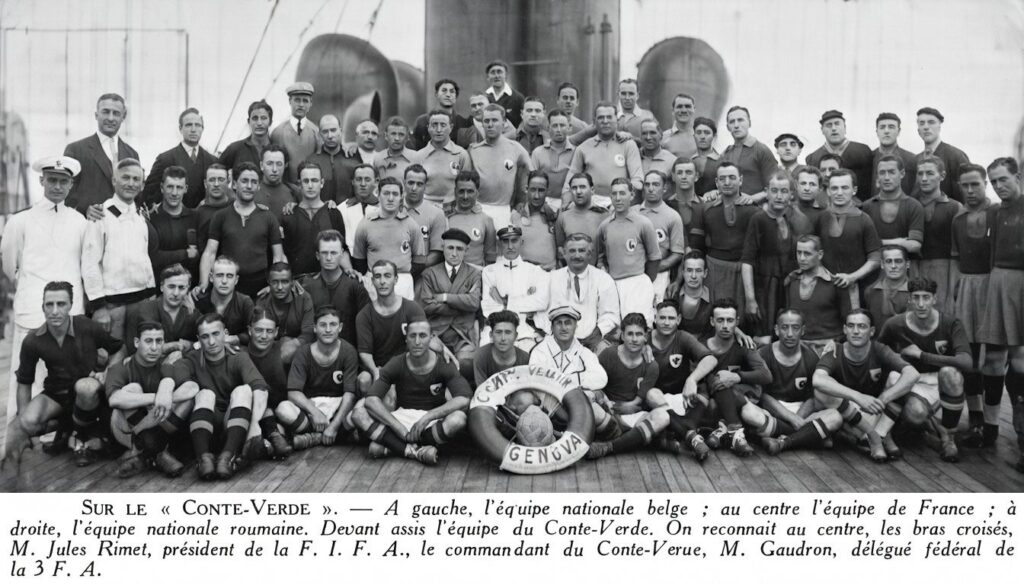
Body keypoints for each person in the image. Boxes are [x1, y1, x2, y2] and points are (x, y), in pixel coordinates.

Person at [2, 156, 88, 427]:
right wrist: (28, 289)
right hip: (33, 308)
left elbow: (84, 264)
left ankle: (58, 431)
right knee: (26, 372)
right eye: (52, 180)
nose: (57, 187)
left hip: (69, 311)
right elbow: (8, 265)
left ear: (71, 185)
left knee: (64, 374)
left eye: (64, 182)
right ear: (42, 181)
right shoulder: (20, 221)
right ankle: (20, 430)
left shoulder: (79, 221)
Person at [3, 282, 125, 469]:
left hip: (89, 391)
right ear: (42, 307)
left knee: (85, 387)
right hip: (57, 393)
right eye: (49, 304)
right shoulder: (33, 340)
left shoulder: (85, 325)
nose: (54, 310)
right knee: (26, 420)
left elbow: (119, 349)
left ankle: (80, 435)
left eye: (61, 304)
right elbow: (24, 381)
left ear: (70, 305)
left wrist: (108, 372)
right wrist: (23, 422)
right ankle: (66, 426)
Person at [352, 320, 471, 465]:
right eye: (412, 336)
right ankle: (415, 451)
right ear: (406, 339)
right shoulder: (397, 362)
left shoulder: (443, 364)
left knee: (458, 419)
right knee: (358, 413)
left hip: (431, 420)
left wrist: (429, 416)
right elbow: (371, 399)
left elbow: (464, 398)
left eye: (422, 336)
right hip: (403, 418)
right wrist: (399, 428)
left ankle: (396, 447)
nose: (417, 341)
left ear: (431, 337)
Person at [877, 277, 969, 462]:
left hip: (939, 381)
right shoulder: (895, 324)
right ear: (909, 299)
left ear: (935, 299)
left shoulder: (950, 323)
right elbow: (878, 350)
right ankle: (921, 424)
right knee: (916, 415)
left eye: (926, 297)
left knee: (952, 376)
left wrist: (922, 355)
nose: (921, 304)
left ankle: (948, 438)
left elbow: (966, 362)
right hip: (911, 381)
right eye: (916, 298)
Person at [814, 309, 921, 462]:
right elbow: (817, 380)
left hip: (874, 408)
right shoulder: (835, 350)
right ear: (845, 329)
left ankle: (882, 433)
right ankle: (874, 437)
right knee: (822, 391)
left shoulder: (879, 349)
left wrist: (884, 398)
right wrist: (858, 397)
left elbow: (913, 374)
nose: (856, 331)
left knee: (898, 377)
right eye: (851, 326)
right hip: (850, 413)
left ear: (871, 331)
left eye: (862, 326)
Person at [172, 313, 269, 480]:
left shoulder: (238, 357)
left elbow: (260, 389)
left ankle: (228, 456)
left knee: (244, 390)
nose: (211, 342)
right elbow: (178, 383)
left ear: (225, 333)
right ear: (198, 340)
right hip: (203, 431)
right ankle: (203, 458)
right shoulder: (191, 360)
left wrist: (254, 425)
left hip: (234, 428)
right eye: (205, 336)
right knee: (204, 394)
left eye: (216, 334)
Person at [739, 309, 843, 455]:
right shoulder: (763, 354)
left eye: (795, 328)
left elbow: (812, 397)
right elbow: (762, 395)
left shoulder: (811, 357)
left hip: (802, 413)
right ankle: (809, 436)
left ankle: (783, 441)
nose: (789, 334)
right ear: (776, 330)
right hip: (772, 412)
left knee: (835, 417)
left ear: (803, 330)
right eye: (784, 327)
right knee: (748, 412)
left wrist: (798, 418)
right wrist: (791, 418)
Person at [978, 157, 1024, 472]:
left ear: (1017, 176)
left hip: (1021, 284)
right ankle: (990, 429)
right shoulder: (995, 211)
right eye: (993, 181)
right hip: (997, 281)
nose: (998, 185)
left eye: (1003, 179)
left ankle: (1022, 442)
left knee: (1020, 360)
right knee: (993, 359)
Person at [107, 321, 198, 478]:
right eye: (148, 341)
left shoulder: (166, 365)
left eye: (159, 341)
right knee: (132, 390)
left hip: (155, 427)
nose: (154, 347)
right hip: (126, 430)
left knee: (187, 400)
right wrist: (157, 398)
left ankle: (148, 454)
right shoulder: (121, 367)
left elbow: (192, 387)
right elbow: (114, 400)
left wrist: (168, 396)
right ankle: (156, 451)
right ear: (137, 342)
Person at [81, 158, 157, 340]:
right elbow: (90, 263)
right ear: (114, 180)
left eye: (136, 179)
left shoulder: (140, 218)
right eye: (125, 178)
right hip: (112, 306)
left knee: (138, 358)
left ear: (142, 184)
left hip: (141, 303)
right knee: (111, 361)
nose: (131, 183)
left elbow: (143, 261)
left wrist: (152, 297)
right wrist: (98, 307)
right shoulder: (101, 215)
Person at [951, 164, 997, 446]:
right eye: (965, 186)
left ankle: (993, 425)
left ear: (985, 184)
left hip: (993, 288)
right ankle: (976, 419)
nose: (969, 191)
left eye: (975, 185)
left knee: (993, 359)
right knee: (969, 358)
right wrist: (955, 294)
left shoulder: (998, 214)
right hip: (967, 289)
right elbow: (956, 259)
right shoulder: (958, 220)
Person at [741, 170, 813, 344]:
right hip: (764, 289)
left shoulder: (799, 220)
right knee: (764, 338)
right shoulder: (758, 219)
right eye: (774, 191)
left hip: (790, 287)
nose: (779, 196)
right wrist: (750, 299)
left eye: (784, 191)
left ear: (791, 193)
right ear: (767, 192)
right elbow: (747, 260)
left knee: (790, 333)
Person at [586, 313, 671, 459]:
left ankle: (609, 447)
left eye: (639, 334)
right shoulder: (609, 355)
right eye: (630, 334)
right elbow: (595, 384)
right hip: (609, 413)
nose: (634, 339)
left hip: (635, 418)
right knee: (588, 399)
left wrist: (630, 406)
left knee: (663, 416)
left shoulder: (651, 365)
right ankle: (641, 441)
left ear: (646, 336)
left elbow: (637, 403)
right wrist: (605, 401)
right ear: (622, 336)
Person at [274, 307, 361, 449]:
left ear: (340, 328)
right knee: (283, 409)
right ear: (315, 328)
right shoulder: (304, 352)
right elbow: (293, 392)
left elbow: (349, 395)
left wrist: (333, 426)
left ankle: (315, 437)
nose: (328, 329)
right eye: (323, 325)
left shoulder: (348, 351)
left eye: (333, 325)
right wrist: (314, 413)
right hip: (311, 408)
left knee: (360, 408)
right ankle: (336, 437)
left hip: (337, 408)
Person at [199, 161, 287, 298]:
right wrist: (203, 285)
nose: (249, 186)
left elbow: (278, 256)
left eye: (253, 182)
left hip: (260, 288)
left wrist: (274, 285)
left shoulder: (268, 217)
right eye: (244, 181)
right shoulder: (221, 216)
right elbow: (210, 253)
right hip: (228, 285)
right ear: (234, 184)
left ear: (258, 186)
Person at [701, 299, 772, 457]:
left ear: (737, 322)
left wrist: (736, 377)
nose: (725, 325)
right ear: (712, 321)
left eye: (730, 320)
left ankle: (726, 430)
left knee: (724, 383)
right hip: (710, 401)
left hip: (739, 398)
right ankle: (732, 430)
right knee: (715, 382)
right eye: (720, 320)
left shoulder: (743, 345)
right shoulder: (701, 346)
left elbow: (766, 375)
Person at [649, 300, 718, 461]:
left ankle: (679, 431)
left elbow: (711, 359)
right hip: (657, 401)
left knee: (704, 394)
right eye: (662, 318)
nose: (666, 322)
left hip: (683, 396)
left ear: (679, 319)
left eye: (671, 318)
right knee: (652, 394)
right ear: (655, 318)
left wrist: (691, 380)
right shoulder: (645, 340)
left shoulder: (683, 337)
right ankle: (691, 436)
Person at [416, 228, 482, 380]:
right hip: (437, 333)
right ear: (443, 247)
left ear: (466, 250)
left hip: (463, 334)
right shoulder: (429, 274)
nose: (454, 253)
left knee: (466, 364)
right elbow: (427, 306)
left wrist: (445, 297)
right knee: (433, 365)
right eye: (450, 248)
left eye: (459, 249)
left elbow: (473, 303)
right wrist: (461, 305)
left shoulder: (474, 274)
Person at [690, 161, 760, 303]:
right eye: (722, 179)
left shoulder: (753, 210)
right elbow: (698, 247)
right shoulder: (705, 209)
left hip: (744, 272)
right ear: (716, 182)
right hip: (715, 270)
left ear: (740, 180)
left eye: (732, 177)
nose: (727, 182)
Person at [538, 233, 619, 354]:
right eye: (572, 251)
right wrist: (553, 335)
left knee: (606, 355)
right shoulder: (550, 278)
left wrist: (597, 333)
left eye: (581, 251)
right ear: (564, 254)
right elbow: (540, 313)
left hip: (593, 341)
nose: (577, 255)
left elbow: (611, 314)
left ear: (590, 254)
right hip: (557, 340)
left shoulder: (603, 279)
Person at [355, 260, 429, 393]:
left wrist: (443, 348)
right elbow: (365, 352)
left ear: (395, 279)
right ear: (372, 281)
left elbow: (425, 338)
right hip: (377, 367)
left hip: (405, 366)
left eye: (387, 276)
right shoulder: (364, 315)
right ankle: (367, 407)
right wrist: (376, 372)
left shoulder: (412, 308)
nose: (382, 281)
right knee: (363, 380)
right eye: (378, 277)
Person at [597, 178, 661, 324]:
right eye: (614, 194)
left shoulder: (643, 223)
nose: (618, 198)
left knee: (639, 326)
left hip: (637, 283)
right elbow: (601, 257)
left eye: (622, 193)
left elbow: (655, 258)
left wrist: (644, 280)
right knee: (615, 326)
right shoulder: (604, 226)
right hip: (613, 284)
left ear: (631, 195)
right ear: (610, 197)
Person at [63, 93, 140, 214]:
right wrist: (84, 209)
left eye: (116, 113)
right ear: (96, 115)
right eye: (105, 112)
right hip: (88, 224)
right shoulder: (76, 150)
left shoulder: (132, 154)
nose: (110, 118)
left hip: (122, 224)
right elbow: (66, 190)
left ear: (123, 117)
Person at [352, 177, 426, 300]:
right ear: (378, 195)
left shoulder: (411, 224)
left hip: (402, 281)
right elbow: (359, 260)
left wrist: (400, 276)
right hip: (374, 282)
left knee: (402, 318)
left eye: (395, 194)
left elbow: (419, 261)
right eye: (386, 193)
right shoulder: (365, 223)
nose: (390, 198)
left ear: (401, 196)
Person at [783, 235, 858, 354]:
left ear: (820, 254)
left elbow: (849, 322)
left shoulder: (836, 284)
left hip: (828, 348)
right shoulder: (791, 281)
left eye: (807, 254)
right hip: (797, 349)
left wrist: (837, 343)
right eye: (799, 253)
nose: (801, 258)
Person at [481, 226, 550, 351]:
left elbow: (541, 303)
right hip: (498, 329)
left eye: (514, 241)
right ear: (499, 243)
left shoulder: (535, 271)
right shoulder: (489, 271)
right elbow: (488, 309)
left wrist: (506, 302)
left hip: (526, 330)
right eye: (505, 241)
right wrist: (527, 302)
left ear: (521, 242)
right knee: (485, 353)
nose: (510, 246)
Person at [239, 309, 295, 460]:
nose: (264, 336)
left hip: (282, 412)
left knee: (282, 430)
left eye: (269, 331)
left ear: (276, 332)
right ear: (250, 330)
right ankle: (272, 437)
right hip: (254, 415)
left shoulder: (283, 351)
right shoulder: (241, 353)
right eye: (258, 330)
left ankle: (275, 436)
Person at [813, 169, 882, 292]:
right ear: (828, 191)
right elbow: (813, 252)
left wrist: (852, 277)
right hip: (824, 287)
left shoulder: (864, 220)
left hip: (855, 287)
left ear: (854, 190)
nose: (839, 193)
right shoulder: (821, 217)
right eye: (834, 188)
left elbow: (875, 258)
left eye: (844, 188)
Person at [563, 101, 643, 204]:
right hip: (590, 205)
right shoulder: (583, 148)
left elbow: (637, 181)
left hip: (620, 204)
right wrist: (566, 203)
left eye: (609, 117)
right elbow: (569, 182)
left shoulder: (628, 145)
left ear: (617, 120)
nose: (605, 121)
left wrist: (623, 202)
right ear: (594, 121)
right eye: (601, 118)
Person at [466, 103, 533, 227]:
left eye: (495, 120)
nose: (490, 125)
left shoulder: (516, 148)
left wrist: (522, 202)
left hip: (504, 210)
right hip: (478, 208)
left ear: (504, 123)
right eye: (486, 121)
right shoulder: (474, 150)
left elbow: (532, 174)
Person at [300, 230, 369, 349]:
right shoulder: (307, 285)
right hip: (316, 353)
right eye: (324, 253)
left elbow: (366, 326)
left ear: (342, 254)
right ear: (317, 255)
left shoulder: (355, 285)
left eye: (334, 253)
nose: (329, 258)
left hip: (348, 353)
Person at [280, 161, 350, 277]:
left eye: (314, 180)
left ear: (322, 183)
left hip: (328, 280)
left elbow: (342, 249)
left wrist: (349, 270)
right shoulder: (289, 215)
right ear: (299, 184)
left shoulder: (333, 213)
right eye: (306, 181)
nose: (310, 186)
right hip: (298, 281)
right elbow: (282, 253)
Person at [141, 107, 217, 209]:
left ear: (202, 129)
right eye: (189, 125)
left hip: (203, 220)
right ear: (180, 129)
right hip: (173, 220)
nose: (193, 129)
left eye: (197, 125)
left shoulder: (212, 160)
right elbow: (149, 195)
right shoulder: (165, 159)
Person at [915, 155, 964, 313]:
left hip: (944, 268)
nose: (924, 178)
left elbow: (958, 250)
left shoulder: (954, 207)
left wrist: (952, 285)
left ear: (941, 176)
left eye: (929, 173)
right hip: (915, 267)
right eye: (920, 174)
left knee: (942, 310)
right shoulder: (910, 205)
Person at [123, 263, 198, 359]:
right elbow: (135, 351)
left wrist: (190, 345)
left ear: (188, 289)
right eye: (171, 287)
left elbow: (206, 341)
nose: (176, 293)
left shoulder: (192, 313)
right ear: (162, 287)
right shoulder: (142, 311)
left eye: (181, 288)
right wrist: (174, 346)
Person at [529, 306, 608, 391]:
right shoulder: (540, 351)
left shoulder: (583, 352)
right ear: (552, 327)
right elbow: (536, 382)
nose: (563, 328)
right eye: (559, 323)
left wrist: (569, 379)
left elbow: (601, 378)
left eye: (568, 323)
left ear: (575, 327)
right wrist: (579, 381)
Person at [804, 110, 874, 203]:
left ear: (845, 128)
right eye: (829, 125)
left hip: (859, 207)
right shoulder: (813, 158)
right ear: (822, 130)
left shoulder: (863, 151)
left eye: (837, 124)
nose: (833, 128)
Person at [862, 154, 925, 256]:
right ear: (877, 176)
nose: (887, 178)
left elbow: (915, 246)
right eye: (882, 173)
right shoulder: (867, 207)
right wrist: (898, 242)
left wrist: (879, 243)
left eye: (891, 172)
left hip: (905, 268)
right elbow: (862, 244)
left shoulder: (913, 206)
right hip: (874, 267)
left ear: (902, 174)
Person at [254, 262, 314, 363]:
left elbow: (308, 333)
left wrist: (293, 344)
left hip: (297, 348)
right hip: (270, 348)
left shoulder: (304, 299)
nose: (280, 287)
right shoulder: (262, 301)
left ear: (292, 282)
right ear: (269, 282)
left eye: (285, 282)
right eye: (275, 282)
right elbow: (258, 334)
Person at [147, 166, 199, 281]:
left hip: (189, 287)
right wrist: (185, 254)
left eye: (179, 187)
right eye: (170, 187)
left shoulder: (195, 217)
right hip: (159, 287)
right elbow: (152, 257)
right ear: (162, 187)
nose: (174, 193)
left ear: (185, 189)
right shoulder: (151, 219)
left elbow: (199, 255)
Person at [411, 110, 474, 205]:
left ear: (451, 127)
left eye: (443, 125)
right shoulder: (419, 156)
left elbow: (467, 186)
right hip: (425, 207)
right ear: (428, 128)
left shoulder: (461, 154)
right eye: (434, 125)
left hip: (454, 208)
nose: (439, 130)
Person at [194, 256, 255, 348]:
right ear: (211, 277)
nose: (224, 281)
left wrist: (235, 338)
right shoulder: (199, 301)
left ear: (236, 280)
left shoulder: (245, 302)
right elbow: (191, 336)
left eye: (229, 276)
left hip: (237, 352)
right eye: (219, 275)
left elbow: (255, 332)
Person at [719, 106, 775, 199]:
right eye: (732, 122)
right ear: (728, 127)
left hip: (755, 210)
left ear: (749, 123)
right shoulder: (726, 153)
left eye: (740, 120)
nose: (736, 125)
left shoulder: (761, 150)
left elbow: (774, 188)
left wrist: (751, 199)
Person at [916, 107, 970, 203]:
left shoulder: (956, 156)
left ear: (939, 127)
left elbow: (966, 194)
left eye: (931, 122)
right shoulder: (915, 159)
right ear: (918, 130)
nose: (926, 127)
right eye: (921, 123)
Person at [554, 173, 610, 265]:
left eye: (583, 187)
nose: (578, 191)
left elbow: (608, 250)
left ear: (592, 190)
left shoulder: (604, 215)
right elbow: (560, 251)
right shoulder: (563, 217)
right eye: (574, 188)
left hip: (597, 272)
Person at [444, 170, 497, 267]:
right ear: (455, 192)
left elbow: (490, 258)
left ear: (477, 193)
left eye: (470, 191)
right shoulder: (445, 218)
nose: (465, 196)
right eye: (461, 191)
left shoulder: (486, 220)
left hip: (475, 274)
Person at [305, 114, 361, 204]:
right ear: (320, 135)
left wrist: (355, 200)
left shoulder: (353, 158)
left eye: (333, 130)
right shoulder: (312, 161)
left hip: (349, 212)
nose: (330, 136)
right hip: (321, 213)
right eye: (325, 131)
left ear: (340, 131)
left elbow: (363, 188)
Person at [270, 82, 320, 182]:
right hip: (285, 189)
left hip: (308, 188)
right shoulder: (278, 132)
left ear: (311, 103)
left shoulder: (316, 132)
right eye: (297, 100)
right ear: (290, 101)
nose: (301, 105)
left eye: (305, 101)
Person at [510, 171, 558, 270]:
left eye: (541, 190)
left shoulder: (555, 216)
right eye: (533, 190)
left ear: (547, 191)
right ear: (526, 189)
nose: (536, 196)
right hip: (523, 273)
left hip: (549, 274)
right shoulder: (515, 216)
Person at [402, 164, 446, 268]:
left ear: (425, 186)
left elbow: (436, 254)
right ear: (404, 183)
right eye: (410, 183)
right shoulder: (393, 209)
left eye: (419, 184)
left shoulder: (436, 214)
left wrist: (412, 270)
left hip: (423, 272)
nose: (414, 188)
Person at [531, 109, 576, 208]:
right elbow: (532, 183)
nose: (559, 130)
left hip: (569, 204)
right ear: (548, 128)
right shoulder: (538, 153)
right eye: (555, 126)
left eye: (562, 125)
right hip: (542, 203)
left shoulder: (576, 152)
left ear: (569, 127)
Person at [473, 311, 531, 387]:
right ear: (491, 334)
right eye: (498, 332)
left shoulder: (525, 358)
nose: (503, 338)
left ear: (516, 336)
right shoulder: (481, 356)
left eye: (508, 332)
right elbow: (481, 391)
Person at [412, 78, 473, 150]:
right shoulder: (422, 121)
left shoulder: (463, 123)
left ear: (456, 96)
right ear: (436, 94)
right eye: (444, 91)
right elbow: (416, 150)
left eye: (452, 91)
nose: (448, 95)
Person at [863, 245, 912, 331]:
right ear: (882, 264)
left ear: (907, 264)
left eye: (898, 261)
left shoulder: (915, 291)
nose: (893, 266)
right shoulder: (871, 291)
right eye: (889, 261)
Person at [667, 251, 715, 338]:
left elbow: (722, 318)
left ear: (705, 273)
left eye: (698, 271)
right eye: (689, 270)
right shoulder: (672, 296)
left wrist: (736, 331)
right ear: (683, 272)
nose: (693, 276)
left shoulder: (713, 297)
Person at [220, 100, 273, 175]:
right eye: (255, 118)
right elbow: (216, 172)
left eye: (263, 118)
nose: (259, 123)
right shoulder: (235, 149)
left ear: (270, 122)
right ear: (249, 121)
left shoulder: (277, 150)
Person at [871, 112, 917, 197]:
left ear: (898, 131)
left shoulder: (911, 159)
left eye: (891, 127)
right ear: (877, 132)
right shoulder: (869, 158)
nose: (886, 131)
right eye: (882, 127)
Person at [339, 164, 380, 252]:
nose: (363, 184)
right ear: (353, 182)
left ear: (376, 182)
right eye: (358, 179)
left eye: (367, 179)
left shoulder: (384, 209)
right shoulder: (342, 209)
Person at [254, 144, 300, 221]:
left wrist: (298, 209)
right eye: (269, 163)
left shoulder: (294, 191)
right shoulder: (251, 191)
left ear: (285, 165)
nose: (274, 169)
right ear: (261, 165)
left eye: (279, 164)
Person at [195, 164, 233, 252]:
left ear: (228, 182)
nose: (216, 184)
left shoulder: (237, 206)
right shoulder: (198, 213)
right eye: (212, 180)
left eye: (221, 180)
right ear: (205, 183)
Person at [667, 158, 704, 233]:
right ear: (673, 176)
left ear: (696, 176)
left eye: (688, 172)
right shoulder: (666, 206)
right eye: (679, 173)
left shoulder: (705, 206)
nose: (684, 177)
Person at [374, 116, 416, 182]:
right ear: (386, 136)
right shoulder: (378, 159)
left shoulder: (416, 158)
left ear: (407, 137)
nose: (397, 138)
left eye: (401, 134)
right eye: (393, 134)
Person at [485, 60, 526, 128]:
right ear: (488, 77)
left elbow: (523, 122)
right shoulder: (484, 98)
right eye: (493, 72)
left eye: (499, 72)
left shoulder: (518, 98)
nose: (496, 76)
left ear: (506, 75)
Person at [691, 117, 721, 198]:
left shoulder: (721, 162)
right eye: (699, 132)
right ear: (694, 136)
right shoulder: (689, 161)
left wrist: (717, 192)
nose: (702, 136)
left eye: (707, 133)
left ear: (714, 136)